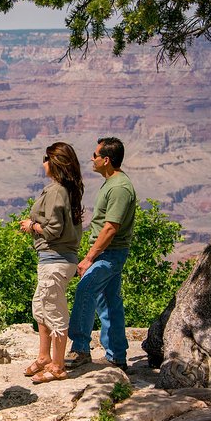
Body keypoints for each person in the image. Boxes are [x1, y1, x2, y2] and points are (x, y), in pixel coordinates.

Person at [65, 137, 137, 371]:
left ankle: (80, 348)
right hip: (110, 252)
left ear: (106, 160)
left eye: (95, 156)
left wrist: (89, 258)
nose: (92, 159)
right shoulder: (113, 182)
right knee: (109, 302)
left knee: (86, 288)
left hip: (110, 253)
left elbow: (110, 227)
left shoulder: (118, 188)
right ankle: (117, 355)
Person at [19, 142, 84, 384]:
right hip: (52, 259)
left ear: (54, 163)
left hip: (56, 259)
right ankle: (44, 356)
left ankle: (58, 366)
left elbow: (54, 229)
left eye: (46, 159)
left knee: (54, 311)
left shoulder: (57, 191)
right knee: (41, 306)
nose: (43, 163)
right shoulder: (63, 189)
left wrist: (32, 226)